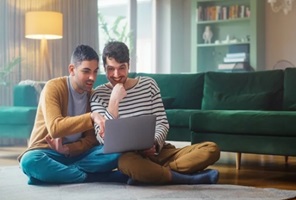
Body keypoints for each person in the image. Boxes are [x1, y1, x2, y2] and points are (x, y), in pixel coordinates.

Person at [90, 41, 221, 185]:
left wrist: (155, 143)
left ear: (129, 65)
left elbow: (162, 123)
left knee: (211, 149)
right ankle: (183, 177)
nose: (116, 74)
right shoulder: (98, 95)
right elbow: (102, 138)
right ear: (104, 68)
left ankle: (153, 174)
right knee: (125, 163)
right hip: (130, 157)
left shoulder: (148, 85)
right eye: (111, 69)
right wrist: (114, 100)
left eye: (121, 68)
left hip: (160, 152)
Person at [18, 44, 128, 185]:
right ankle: (92, 177)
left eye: (95, 72)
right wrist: (90, 116)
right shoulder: (53, 87)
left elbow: (91, 140)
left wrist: (68, 149)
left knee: (117, 150)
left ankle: (58, 174)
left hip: (78, 155)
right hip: (48, 152)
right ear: (72, 70)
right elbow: (55, 128)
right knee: (30, 161)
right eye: (86, 71)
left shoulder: (92, 96)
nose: (92, 77)